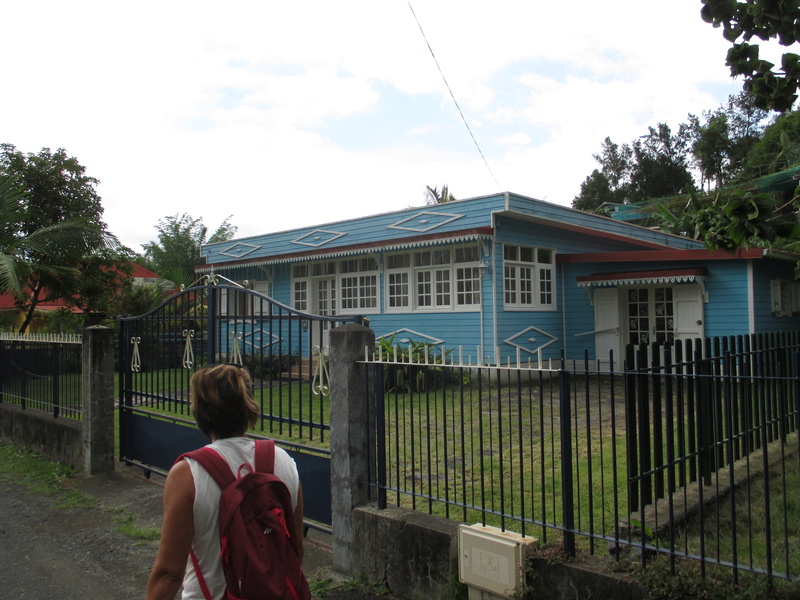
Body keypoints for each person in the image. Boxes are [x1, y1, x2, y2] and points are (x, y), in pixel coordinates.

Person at [146, 364, 304, 600]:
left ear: (200, 411)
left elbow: (169, 574)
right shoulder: (283, 462)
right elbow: (295, 548)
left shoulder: (187, 475)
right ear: (248, 405)